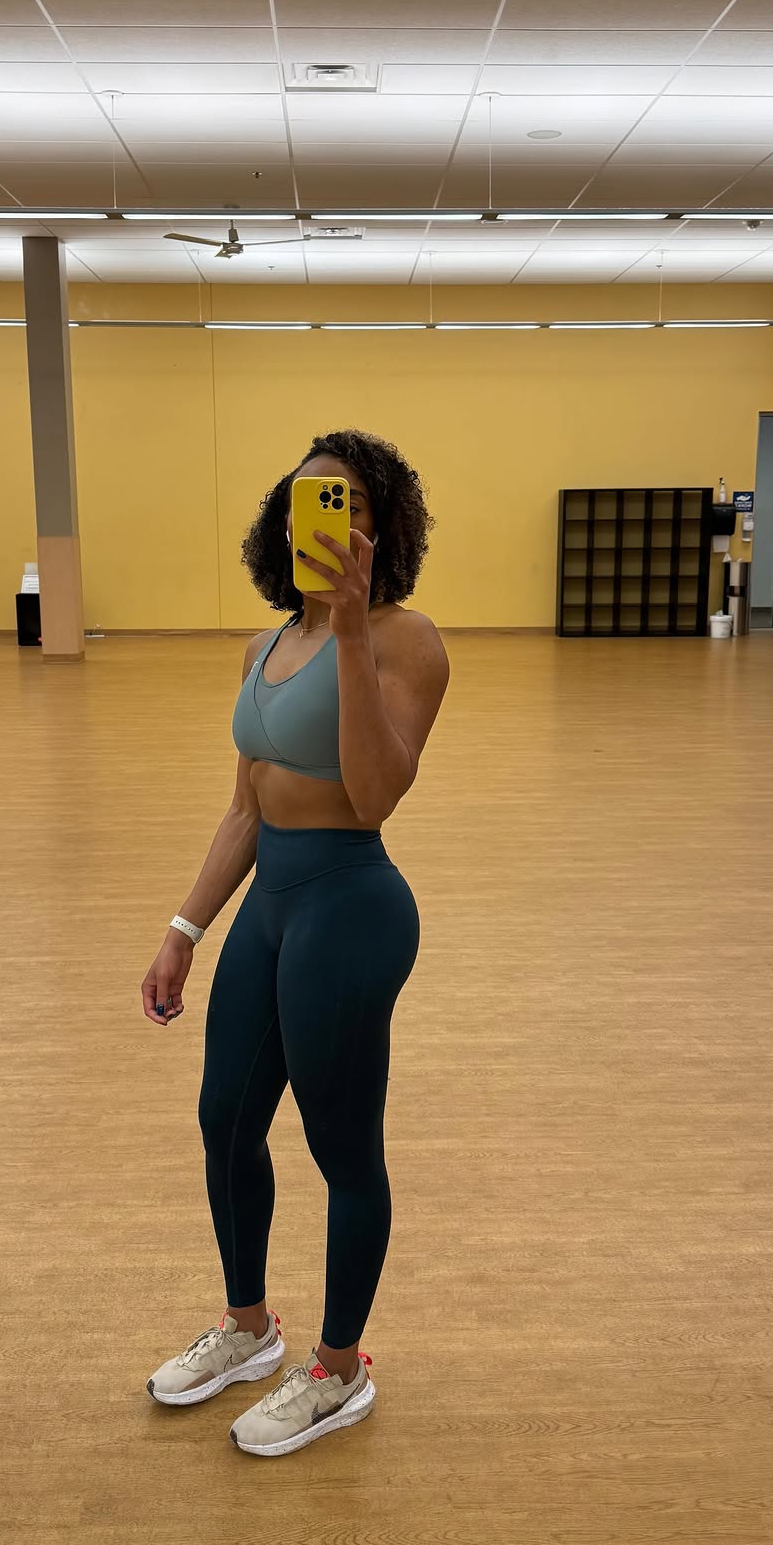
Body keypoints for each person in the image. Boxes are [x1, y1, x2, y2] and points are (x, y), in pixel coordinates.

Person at [142, 430, 449, 1458]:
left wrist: (354, 631)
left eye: (347, 499)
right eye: (307, 500)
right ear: (284, 524)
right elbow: (245, 807)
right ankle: (249, 1330)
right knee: (225, 1121)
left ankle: (340, 1369)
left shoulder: (407, 640)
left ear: (380, 525)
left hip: (350, 908)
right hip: (271, 905)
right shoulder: (264, 647)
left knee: (340, 1147)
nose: (326, 515)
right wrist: (185, 930)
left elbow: (374, 792)